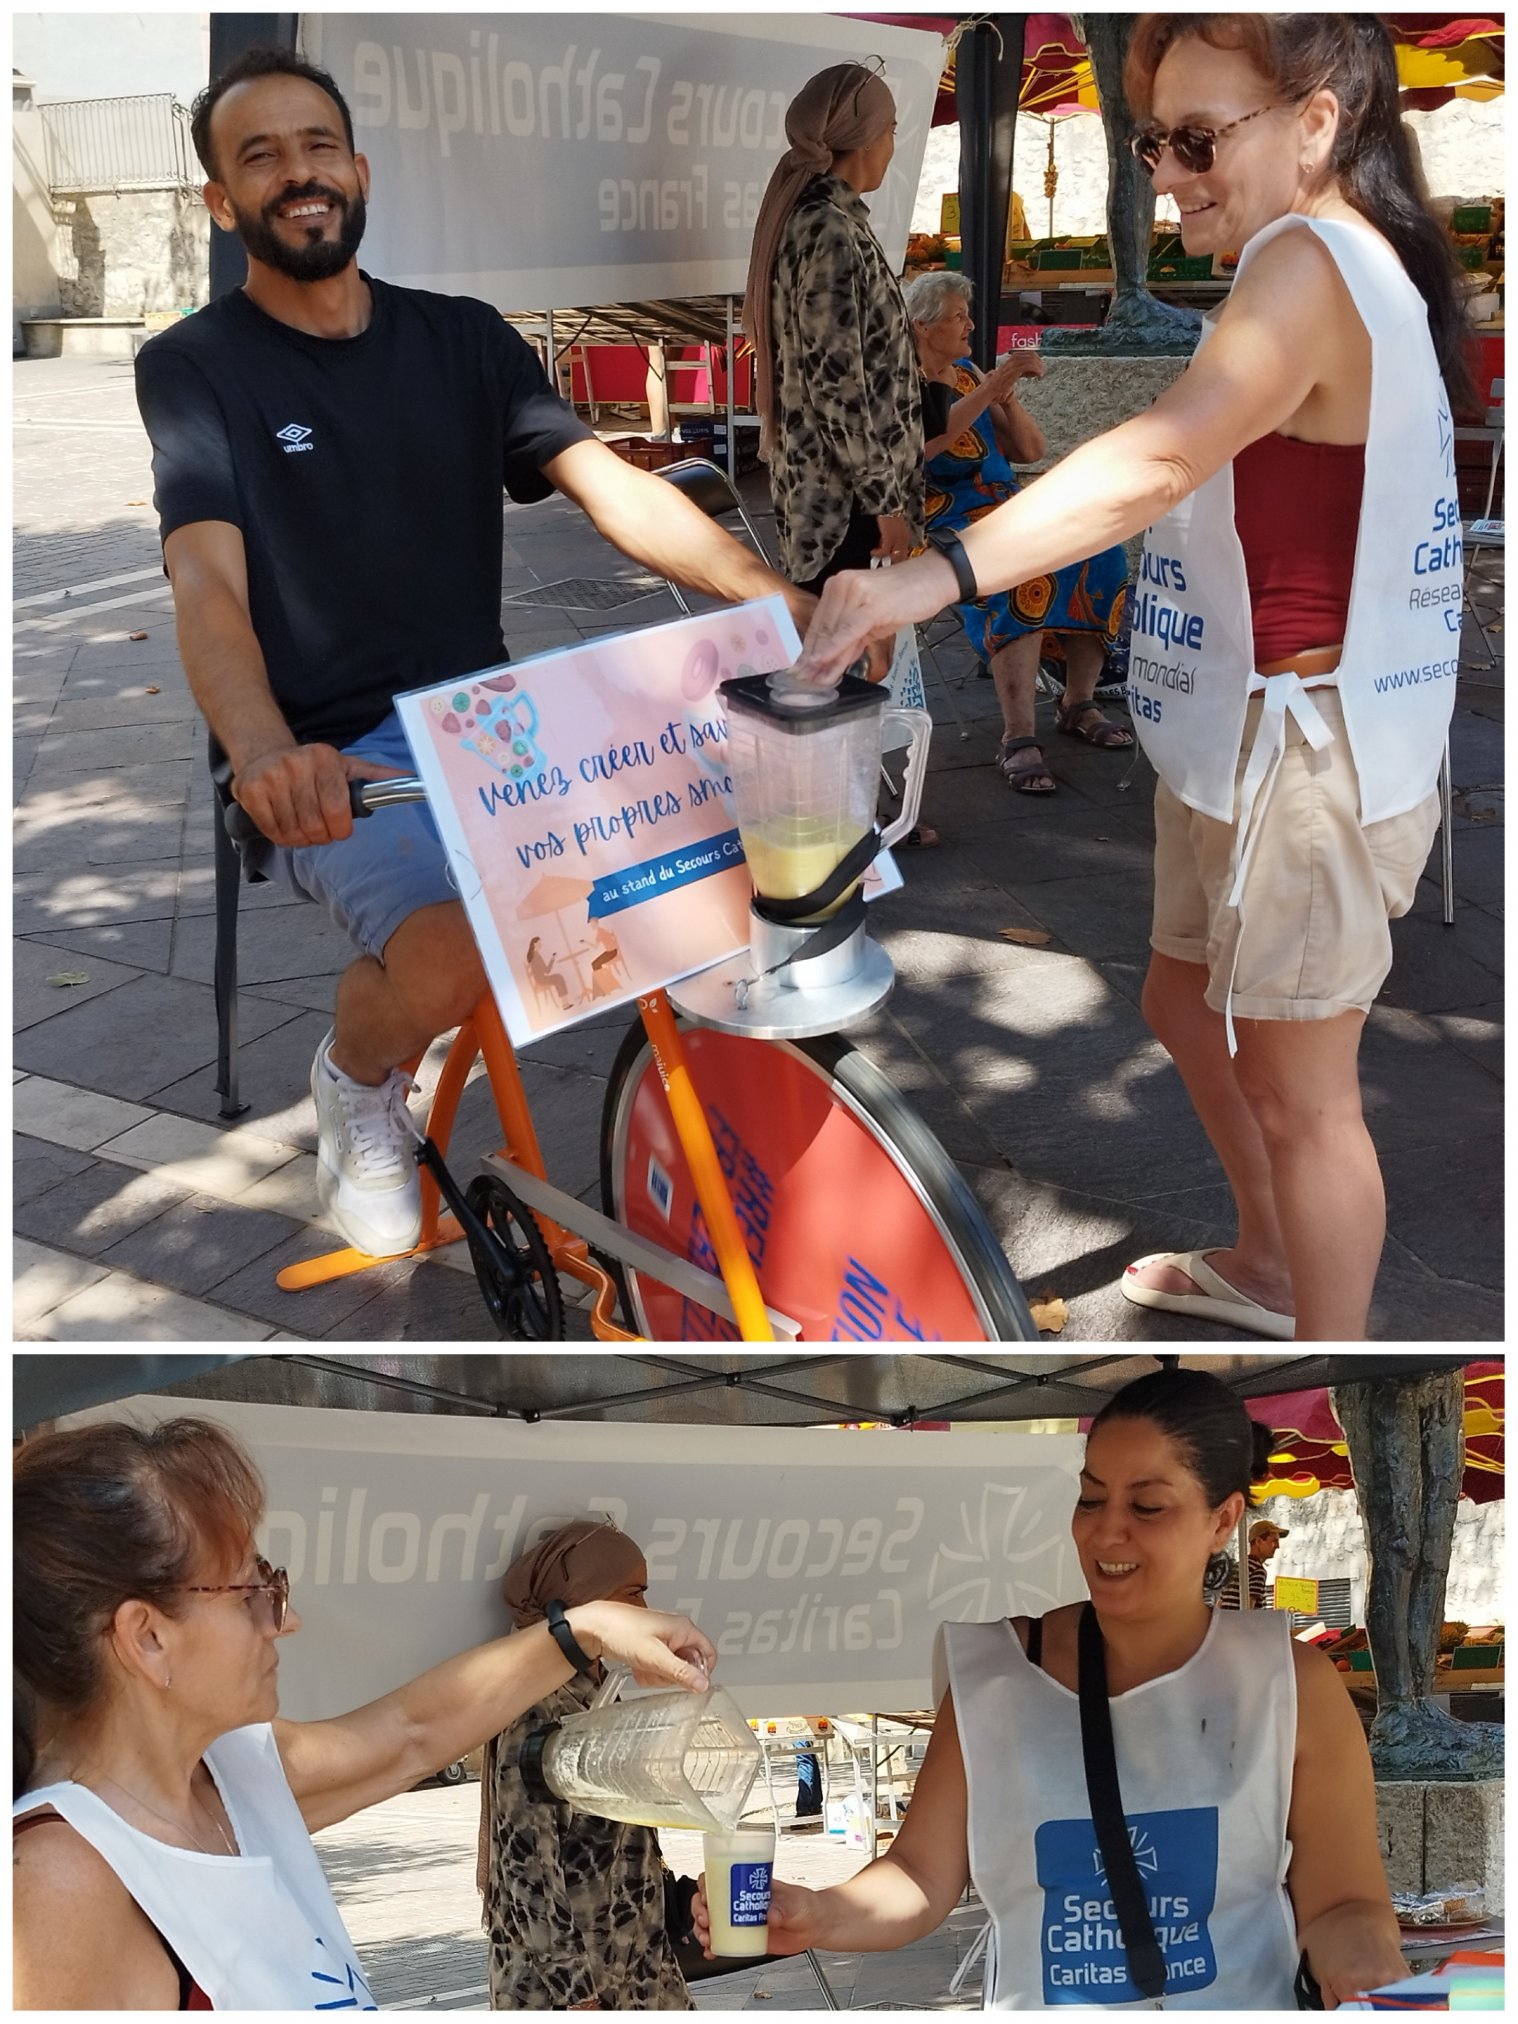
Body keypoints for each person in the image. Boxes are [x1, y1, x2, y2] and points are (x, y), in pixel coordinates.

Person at [793, 15, 1472, 1341]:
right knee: (1179, 994)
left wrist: (930, 574)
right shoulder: (1330, 255)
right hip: (1241, 728)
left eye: (1196, 139)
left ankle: (1326, 1355)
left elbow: (1159, 458)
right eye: (1152, 139)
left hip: (1305, 759)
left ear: (1317, 122)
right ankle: (1269, 1259)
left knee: (1305, 1094)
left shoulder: (1309, 262)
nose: (1164, 172)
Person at [135, 46, 815, 1265]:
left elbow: (610, 486)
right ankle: (353, 1079)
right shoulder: (195, 366)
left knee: (716, 869)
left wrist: (777, 598)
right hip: (344, 749)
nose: (299, 173)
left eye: (318, 146)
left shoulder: (462, 339)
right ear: (220, 201)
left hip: (498, 718)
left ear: (359, 168)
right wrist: (263, 749)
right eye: (261, 156)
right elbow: (205, 576)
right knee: (454, 948)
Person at [693, 1367, 1405, 2008]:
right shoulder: (996, 1672)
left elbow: (1344, 1902)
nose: (1106, 1533)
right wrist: (819, 1913)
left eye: (1147, 1507)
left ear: (1223, 1519)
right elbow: (917, 1876)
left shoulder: (1292, 1683)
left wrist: (1370, 1967)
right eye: (1091, 1499)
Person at [12, 1416, 716, 2011]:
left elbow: (413, 1734)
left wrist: (586, 1628)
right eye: (252, 1590)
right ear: (147, 1637)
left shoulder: (229, 1774)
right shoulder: (59, 1886)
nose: (284, 1621)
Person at [742, 59, 936, 848]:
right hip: (842, 500)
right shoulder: (824, 224)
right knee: (841, 662)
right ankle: (827, 825)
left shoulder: (832, 216)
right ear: (866, 139)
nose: (896, 145)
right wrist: (885, 497)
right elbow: (837, 382)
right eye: (892, 131)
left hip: (838, 493)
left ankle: (844, 815)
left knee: (844, 657)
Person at [906, 270, 1134, 795]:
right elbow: (924, 447)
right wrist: (992, 387)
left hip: (1006, 505)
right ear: (922, 326)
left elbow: (1031, 451)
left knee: (1099, 548)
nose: (969, 324)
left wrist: (1003, 397)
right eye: (958, 316)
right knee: (1015, 571)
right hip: (942, 518)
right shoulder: (903, 381)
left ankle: (1078, 701)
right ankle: (1017, 735)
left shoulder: (967, 373)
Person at [478, 1522, 693, 2011]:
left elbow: (616, 1844)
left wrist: (676, 1904)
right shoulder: (537, 1709)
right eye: (633, 1594)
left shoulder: (596, 1693)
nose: (645, 1612)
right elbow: (526, 1870)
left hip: (636, 1970)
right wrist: (578, 1997)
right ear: (585, 1604)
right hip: (564, 1990)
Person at [1219, 1517, 1289, 1609]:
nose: (1278, 1546)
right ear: (1258, 1541)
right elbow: (1248, 1612)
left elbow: (1219, 1605)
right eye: (1274, 1541)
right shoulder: (1258, 1571)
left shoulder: (1235, 1568)